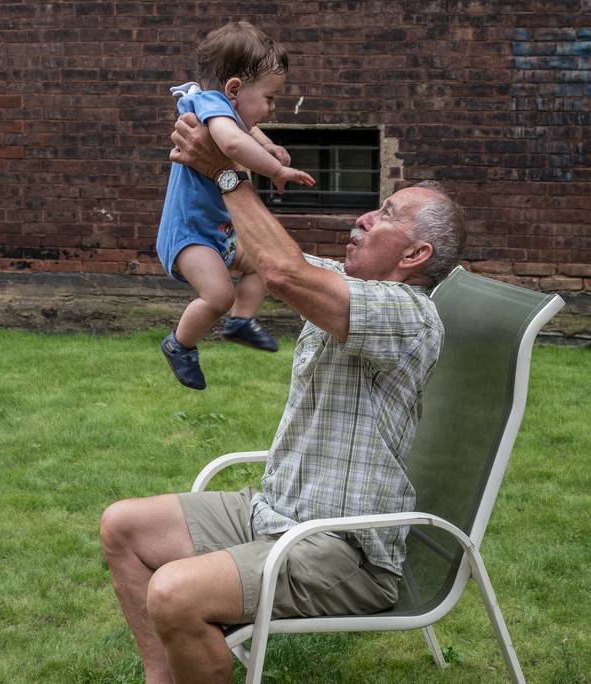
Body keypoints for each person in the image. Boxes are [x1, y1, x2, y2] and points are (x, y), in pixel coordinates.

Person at [100, 112, 467, 683]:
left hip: (343, 549)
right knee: (123, 526)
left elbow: (284, 270)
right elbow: (265, 259)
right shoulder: (345, 288)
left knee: (175, 593)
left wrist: (227, 174)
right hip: (277, 513)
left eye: (387, 215)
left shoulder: (409, 314)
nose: (365, 216)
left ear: (415, 256)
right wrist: (198, 191)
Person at [156, 21, 315, 390]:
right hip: (190, 234)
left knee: (262, 262)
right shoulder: (210, 105)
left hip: (217, 232)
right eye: (270, 98)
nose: (272, 108)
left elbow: (246, 129)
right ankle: (179, 345)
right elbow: (230, 144)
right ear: (233, 88)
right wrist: (277, 168)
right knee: (218, 295)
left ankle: (241, 321)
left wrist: (269, 145)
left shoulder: (222, 108)